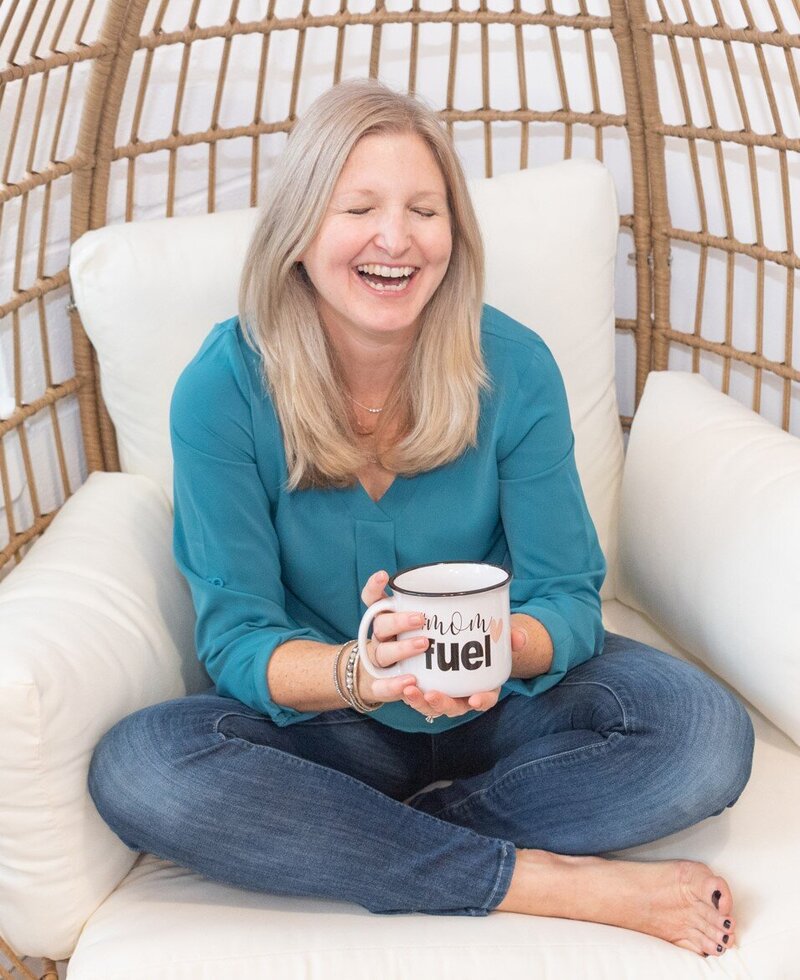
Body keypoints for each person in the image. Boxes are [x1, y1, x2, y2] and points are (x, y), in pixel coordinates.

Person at [88, 78, 754, 959]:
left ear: (453, 235)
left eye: (424, 210)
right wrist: (365, 672)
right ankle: (539, 881)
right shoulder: (222, 389)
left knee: (705, 737)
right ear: (300, 233)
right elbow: (239, 639)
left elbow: (565, 594)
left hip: (504, 711)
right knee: (139, 768)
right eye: (357, 206)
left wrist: (495, 651)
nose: (394, 238)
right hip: (328, 721)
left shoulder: (513, 367)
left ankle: (377, 841)